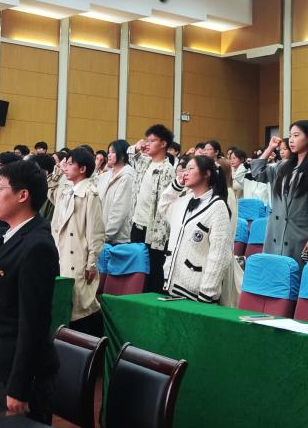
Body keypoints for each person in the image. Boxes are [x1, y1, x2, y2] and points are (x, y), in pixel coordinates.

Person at [0, 161, 59, 421]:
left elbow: (34, 323)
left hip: (15, 375)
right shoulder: (14, 234)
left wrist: (19, 386)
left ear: (22, 195)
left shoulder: (37, 246)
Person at [249, 120, 308, 266]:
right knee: (275, 274)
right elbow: (257, 173)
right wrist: (270, 148)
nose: (291, 140)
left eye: (296, 135)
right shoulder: (283, 165)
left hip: (300, 234)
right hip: (276, 232)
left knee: (296, 275)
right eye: (290, 135)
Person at [158, 155, 234, 302]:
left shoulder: (217, 206)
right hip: (173, 285)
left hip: (198, 292)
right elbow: (163, 206)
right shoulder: (185, 201)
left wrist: (207, 292)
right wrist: (176, 185)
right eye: (185, 169)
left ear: (207, 174)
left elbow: (220, 254)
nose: (185, 173)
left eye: (191, 169)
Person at [51, 149, 105, 335]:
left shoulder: (90, 193)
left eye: (70, 163)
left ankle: (89, 344)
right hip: (62, 253)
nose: (66, 167)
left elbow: (95, 231)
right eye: (65, 163)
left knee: (81, 307)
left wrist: (91, 262)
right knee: (66, 304)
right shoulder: (66, 190)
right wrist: (57, 171)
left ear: (82, 169)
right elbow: (50, 189)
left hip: (79, 257)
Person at [130, 124, 178, 293]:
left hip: (154, 230)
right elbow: (131, 155)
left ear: (163, 144)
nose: (147, 144)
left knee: (153, 270)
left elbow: (167, 204)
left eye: (152, 141)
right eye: (147, 140)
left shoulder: (167, 170)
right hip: (137, 223)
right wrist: (137, 146)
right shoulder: (145, 163)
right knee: (136, 268)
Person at [100, 140, 135, 244]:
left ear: (123, 155)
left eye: (113, 152)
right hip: (101, 234)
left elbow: (120, 210)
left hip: (117, 238)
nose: (109, 155)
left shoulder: (127, 177)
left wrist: (107, 235)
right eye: (109, 152)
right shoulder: (106, 175)